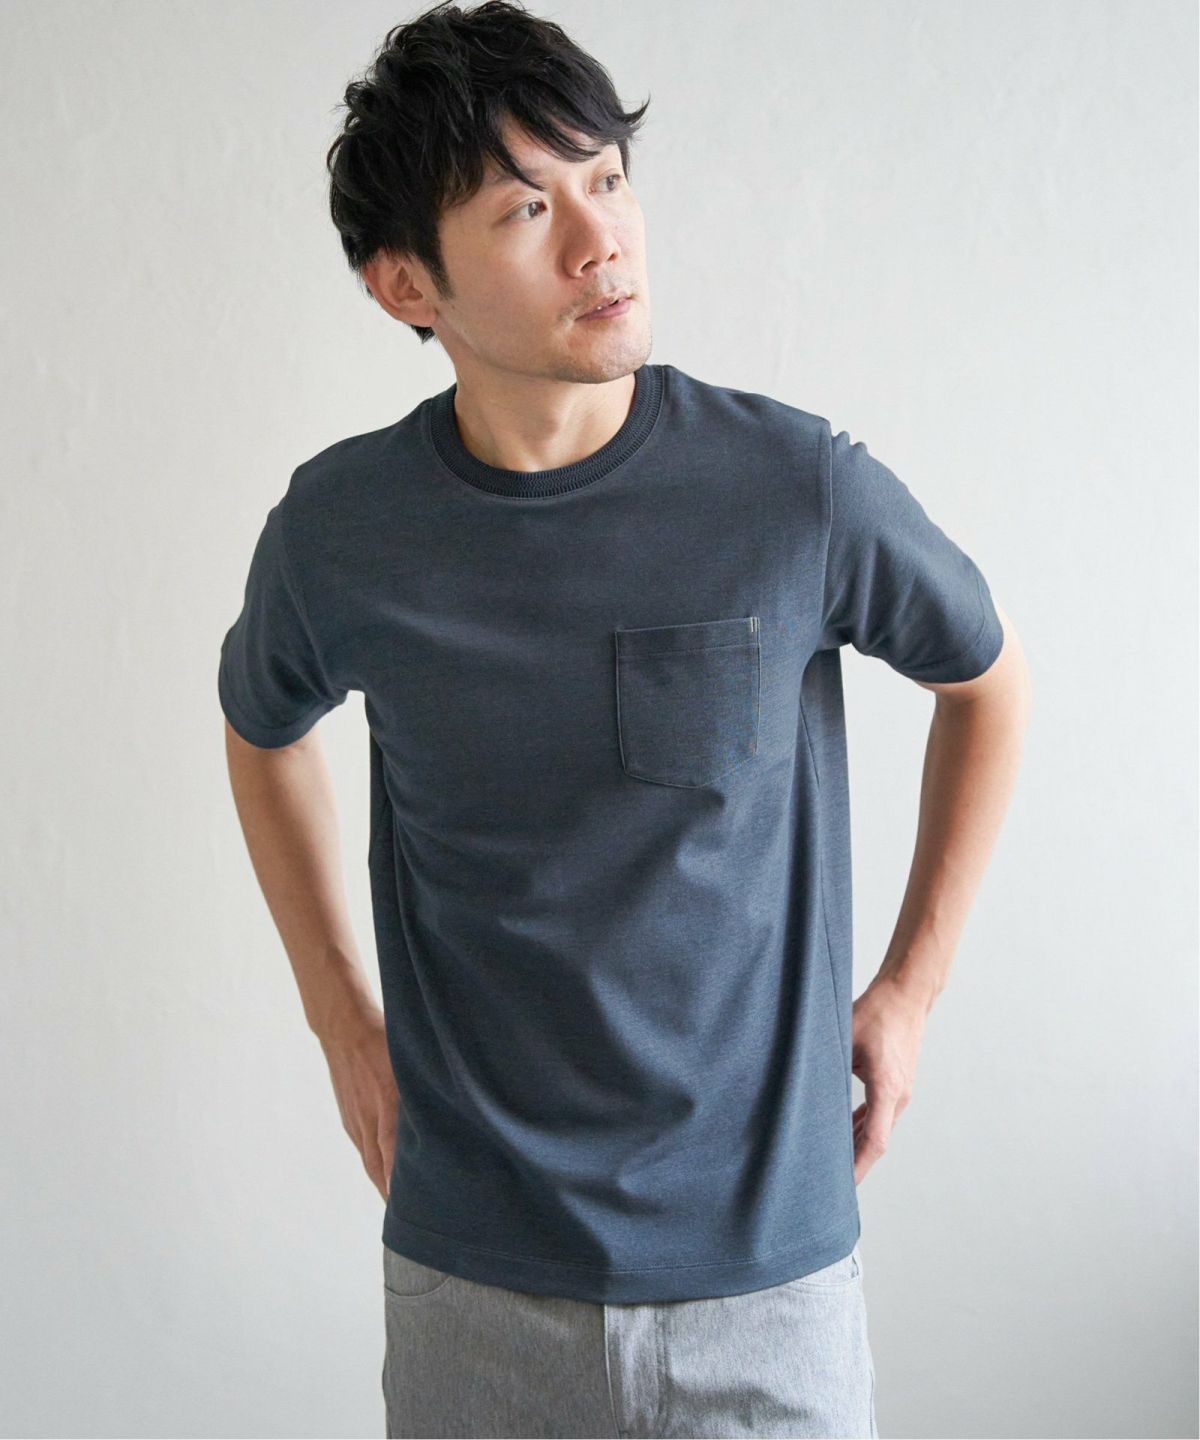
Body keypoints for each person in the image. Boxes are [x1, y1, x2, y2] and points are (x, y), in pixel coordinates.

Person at [217, 3, 1031, 1436]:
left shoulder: (793, 491)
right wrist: (341, 1020)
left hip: (767, 1287)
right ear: (406, 285)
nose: (602, 239)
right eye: (527, 208)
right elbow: (260, 728)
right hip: (472, 1285)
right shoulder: (342, 535)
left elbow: (988, 686)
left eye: (607, 178)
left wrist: (911, 992)